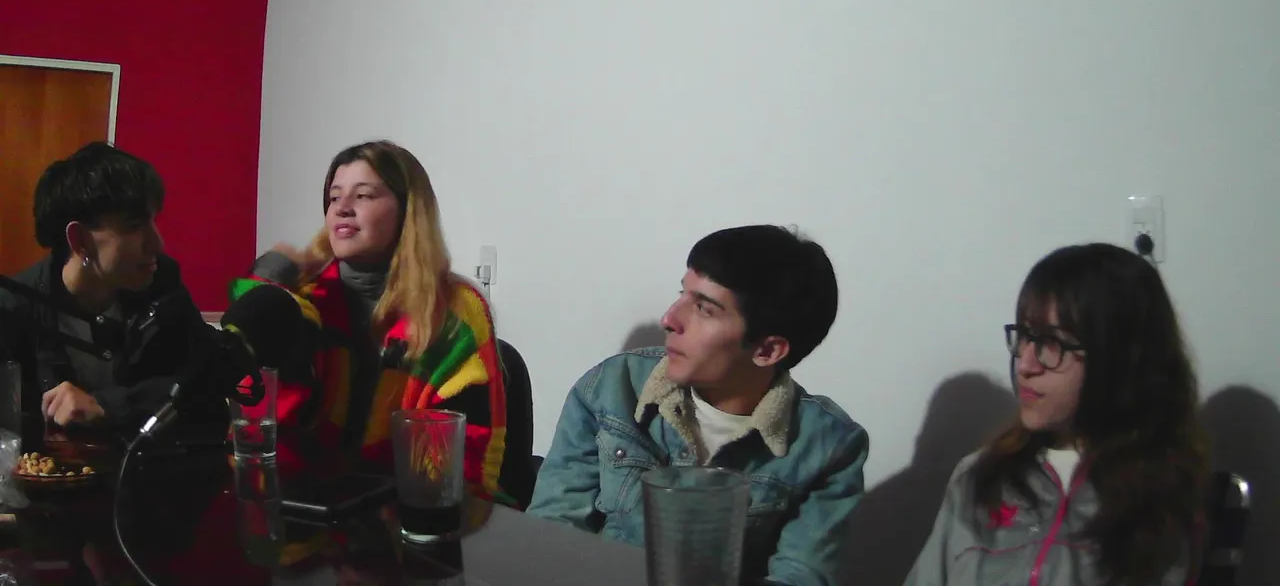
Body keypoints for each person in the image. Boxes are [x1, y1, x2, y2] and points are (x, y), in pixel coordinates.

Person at [528, 225, 868, 585]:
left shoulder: (827, 447)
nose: (669, 319)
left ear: (767, 350)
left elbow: (800, 578)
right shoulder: (613, 386)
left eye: (704, 309)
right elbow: (550, 535)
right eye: (682, 294)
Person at [231, 140, 530, 506]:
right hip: (305, 509)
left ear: (407, 211)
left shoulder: (454, 311)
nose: (342, 208)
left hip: (409, 513)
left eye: (363, 195)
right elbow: (263, 432)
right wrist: (269, 291)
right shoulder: (302, 301)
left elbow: (460, 469)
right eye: (334, 197)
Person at [904, 243, 1208, 586]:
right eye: (1025, 336)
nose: (1026, 364)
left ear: (1118, 359)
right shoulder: (979, 479)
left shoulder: (1162, 499)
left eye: (1053, 343)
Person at [0, 142, 226, 439]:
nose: (157, 243)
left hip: (149, 467)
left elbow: (207, 392)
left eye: (153, 221)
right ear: (80, 240)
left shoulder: (162, 285)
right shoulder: (13, 310)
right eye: (134, 226)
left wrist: (107, 407)